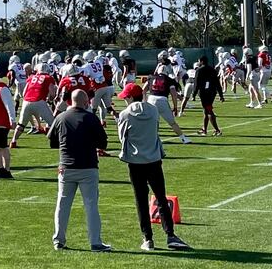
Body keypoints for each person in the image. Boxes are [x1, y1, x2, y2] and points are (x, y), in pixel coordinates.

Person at [116, 84, 191, 252]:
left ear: (129, 97)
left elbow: (123, 138)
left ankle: (147, 238)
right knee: (161, 198)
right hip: (154, 159)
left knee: (141, 200)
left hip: (135, 162)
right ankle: (170, 235)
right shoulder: (153, 111)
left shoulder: (125, 114)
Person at [49, 88, 111, 252]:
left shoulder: (61, 117)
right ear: (86, 102)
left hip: (66, 167)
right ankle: (95, 242)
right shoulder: (91, 118)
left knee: (62, 204)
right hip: (88, 167)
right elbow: (103, 142)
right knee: (91, 206)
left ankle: (58, 240)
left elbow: (51, 139)